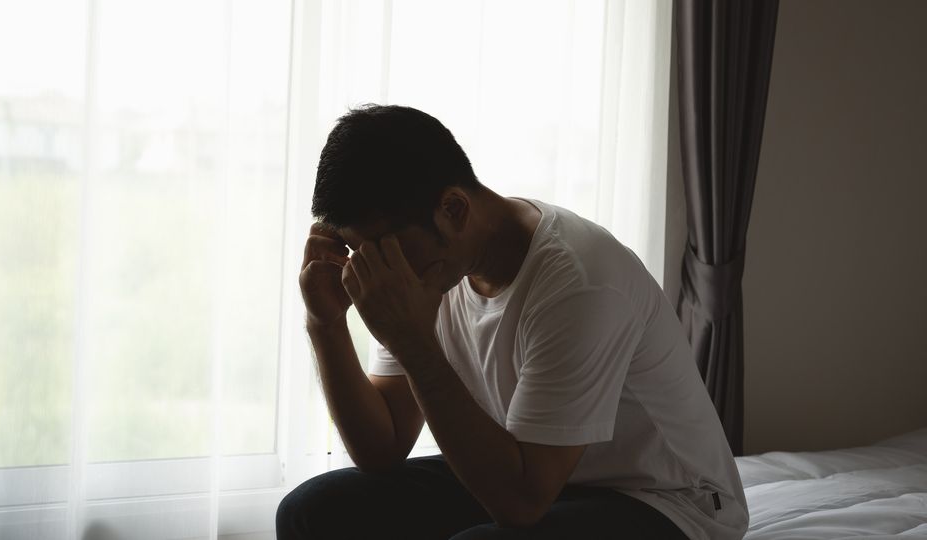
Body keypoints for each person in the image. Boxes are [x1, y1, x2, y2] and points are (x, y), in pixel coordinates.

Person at [277, 104, 748, 540]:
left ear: (454, 210)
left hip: (668, 503)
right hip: (540, 475)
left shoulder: (578, 283)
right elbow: (382, 448)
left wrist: (412, 340)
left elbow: (520, 504)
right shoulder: (435, 270)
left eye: (382, 247)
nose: (375, 270)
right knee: (311, 511)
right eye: (361, 252)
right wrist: (326, 322)